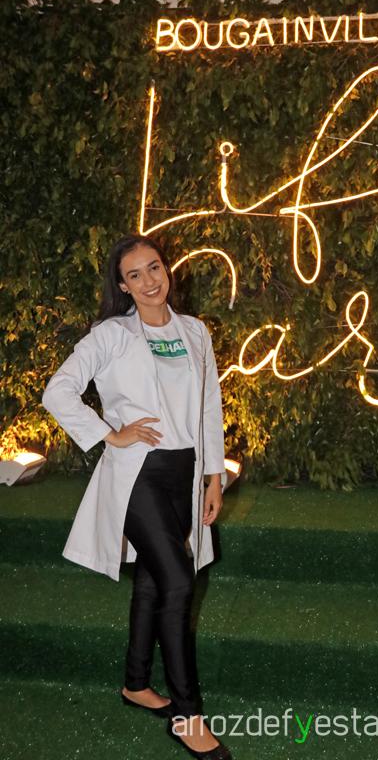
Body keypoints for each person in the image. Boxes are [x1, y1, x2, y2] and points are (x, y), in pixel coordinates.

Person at [41, 233, 232, 759]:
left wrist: (213, 477)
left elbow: (209, 405)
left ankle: (136, 683)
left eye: (154, 267)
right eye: (135, 275)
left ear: (167, 270)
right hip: (138, 476)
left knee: (153, 579)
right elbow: (57, 390)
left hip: (185, 472)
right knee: (178, 581)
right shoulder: (112, 335)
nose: (149, 281)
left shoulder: (194, 331)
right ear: (122, 286)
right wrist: (109, 433)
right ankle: (188, 715)